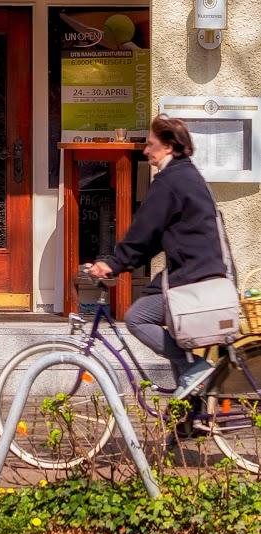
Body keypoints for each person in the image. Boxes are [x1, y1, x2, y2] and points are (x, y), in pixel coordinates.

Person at [90, 115, 228, 398]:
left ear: (167, 146)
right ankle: (189, 421)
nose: (145, 151)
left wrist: (113, 264)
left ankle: (196, 368)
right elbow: (154, 237)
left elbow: (144, 231)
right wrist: (123, 264)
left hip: (192, 278)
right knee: (180, 341)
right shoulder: (186, 174)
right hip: (198, 273)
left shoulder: (170, 181)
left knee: (137, 317)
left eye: (150, 144)